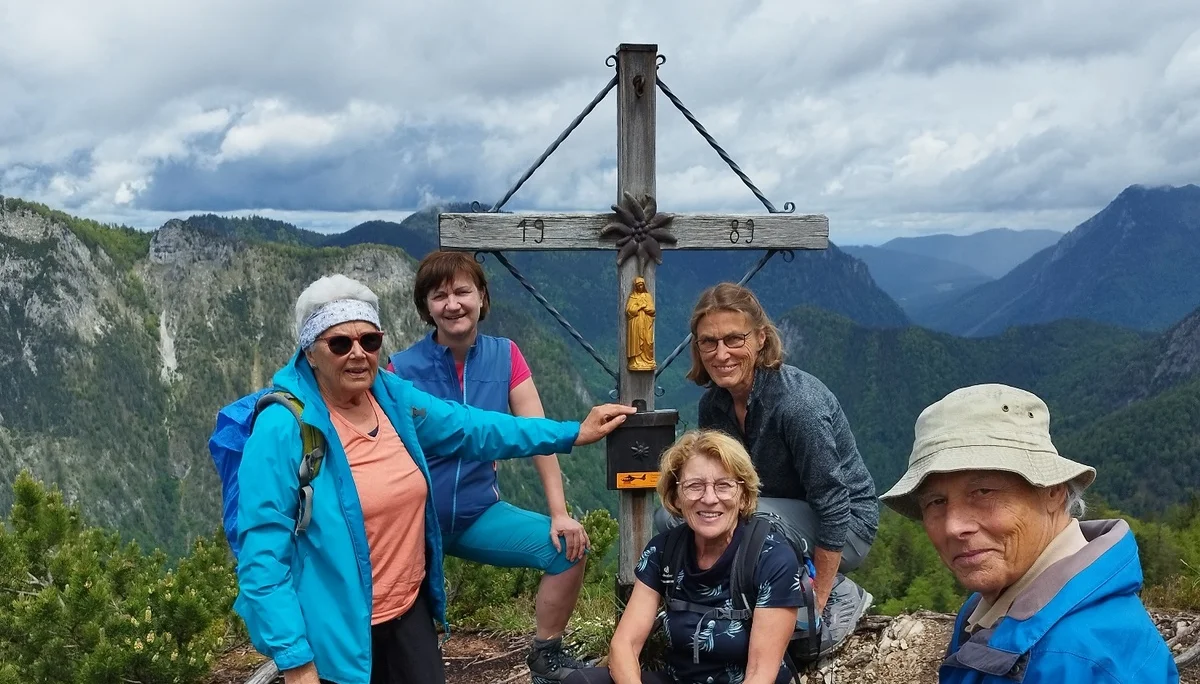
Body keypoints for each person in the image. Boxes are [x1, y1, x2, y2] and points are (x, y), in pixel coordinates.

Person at [233, 274, 635, 684]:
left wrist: (572, 432)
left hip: (408, 613)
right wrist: (297, 663)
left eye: (369, 341)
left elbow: (474, 428)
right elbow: (262, 556)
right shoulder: (283, 427)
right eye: (339, 343)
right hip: (336, 628)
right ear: (310, 351)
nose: (358, 354)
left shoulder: (391, 397)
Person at [386, 251, 595, 683]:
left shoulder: (506, 356)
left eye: (462, 291)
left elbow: (537, 435)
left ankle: (546, 656)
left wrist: (559, 513)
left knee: (568, 550)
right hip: (414, 523)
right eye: (439, 296)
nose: (453, 304)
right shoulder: (400, 369)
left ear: (482, 297)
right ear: (426, 307)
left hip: (479, 514)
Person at [879, 383, 1178, 683]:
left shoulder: (1077, 659)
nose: (953, 526)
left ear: (1053, 492)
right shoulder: (987, 608)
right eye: (936, 502)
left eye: (983, 492)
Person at [660, 282, 878, 657]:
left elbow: (833, 504)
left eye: (734, 339)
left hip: (846, 528)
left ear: (761, 338)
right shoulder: (714, 405)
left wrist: (817, 601)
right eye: (709, 342)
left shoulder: (798, 406)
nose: (721, 353)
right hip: (772, 514)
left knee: (749, 519)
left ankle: (838, 593)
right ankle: (711, 602)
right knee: (673, 518)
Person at [567, 429, 803, 684]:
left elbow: (760, 674)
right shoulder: (663, 551)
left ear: (744, 496)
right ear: (676, 496)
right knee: (579, 681)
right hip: (679, 679)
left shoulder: (772, 559)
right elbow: (625, 644)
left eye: (724, 486)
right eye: (694, 486)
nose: (709, 498)